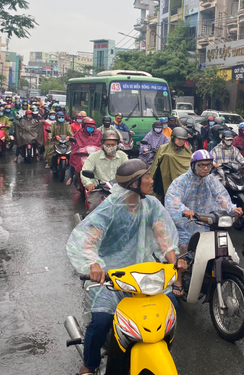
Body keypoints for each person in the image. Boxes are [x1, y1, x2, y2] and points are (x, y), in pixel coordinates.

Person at [66, 159, 185, 375]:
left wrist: (173, 261)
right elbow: (89, 240)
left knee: (172, 306)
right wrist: (94, 265)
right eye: (147, 177)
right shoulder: (110, 208)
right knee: (101, 321)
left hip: (144, 276)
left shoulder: (151, 205)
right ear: (134, 184)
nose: (151, 180)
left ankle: (160, 352)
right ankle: (89, 364)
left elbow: (163, 238)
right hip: (111, 277)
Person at [165, 150, 243, 297]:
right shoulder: (181, 181)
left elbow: (221, 197)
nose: (205, 168)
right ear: (194, 166)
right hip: (185, 224)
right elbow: (172, 200)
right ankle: (178, 279)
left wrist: (232, 208)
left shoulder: (211, 180)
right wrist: (185, 210)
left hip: (207, 222)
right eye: (201, 165)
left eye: (208, 165)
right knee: (183, 247)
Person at [81, 129, 128, 212]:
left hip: (119, 190)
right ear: (102, 144)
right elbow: (84, 172)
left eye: (113, 144)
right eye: (108, 144)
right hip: (99, 190)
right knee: (95, 209)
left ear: (117, 144)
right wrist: (89, 184)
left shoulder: (122, 156)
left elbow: (129, 172)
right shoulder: (94, 156)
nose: (110, 147)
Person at [150, 126, 193, 202]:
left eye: (183, 140)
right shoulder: (163, 148)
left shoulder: (187, 149)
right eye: (179, 139)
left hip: (181, 179)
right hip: (165, 176)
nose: (181, 141)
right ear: (173, 138)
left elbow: (190, 163)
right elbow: (155, 164)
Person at [68, 119, 102, 187]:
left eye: (92, 127)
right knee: (73, 159)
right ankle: (71, 177)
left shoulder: (98, 133)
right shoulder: (79, 133)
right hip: (82, 154)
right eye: (89, 127)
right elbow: (74, 143)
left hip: (95, 154)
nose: (91, 129)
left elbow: (102, 143)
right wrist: (79, 148)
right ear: (84, 126)